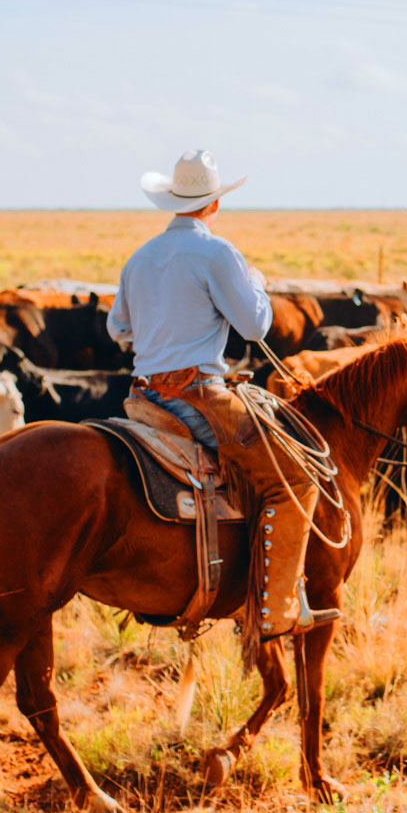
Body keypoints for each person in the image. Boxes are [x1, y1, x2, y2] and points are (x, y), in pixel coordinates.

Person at [107, 149, 336, 640]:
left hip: (143, 397)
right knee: (295, 476)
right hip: (199, 397)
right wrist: (255, 284)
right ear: (214, 203)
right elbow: (255, 327)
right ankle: (275, 612)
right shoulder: (218, 253)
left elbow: (117, 329)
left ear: (172, 201)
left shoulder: (140, 257)